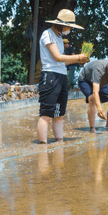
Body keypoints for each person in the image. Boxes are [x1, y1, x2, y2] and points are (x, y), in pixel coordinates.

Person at [37, 9, 89, 144]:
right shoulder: (47, 34)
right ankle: (42, 147)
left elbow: (63, 61)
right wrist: (77, 57)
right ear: (62, 24)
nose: (70, 30)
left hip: (61, 76)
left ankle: (59, 142)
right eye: (69, 27)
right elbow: (57, 57)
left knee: (59, 114)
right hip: (50, 76)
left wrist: (79, 60)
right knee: (46, 114)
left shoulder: (59, 38)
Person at [78, 53, 108, 132]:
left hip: (101, 82)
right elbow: (95, 92)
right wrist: (100, 109)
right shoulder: (99, 69)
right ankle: (92, 129)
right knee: (92, 99)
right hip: (85, 80)